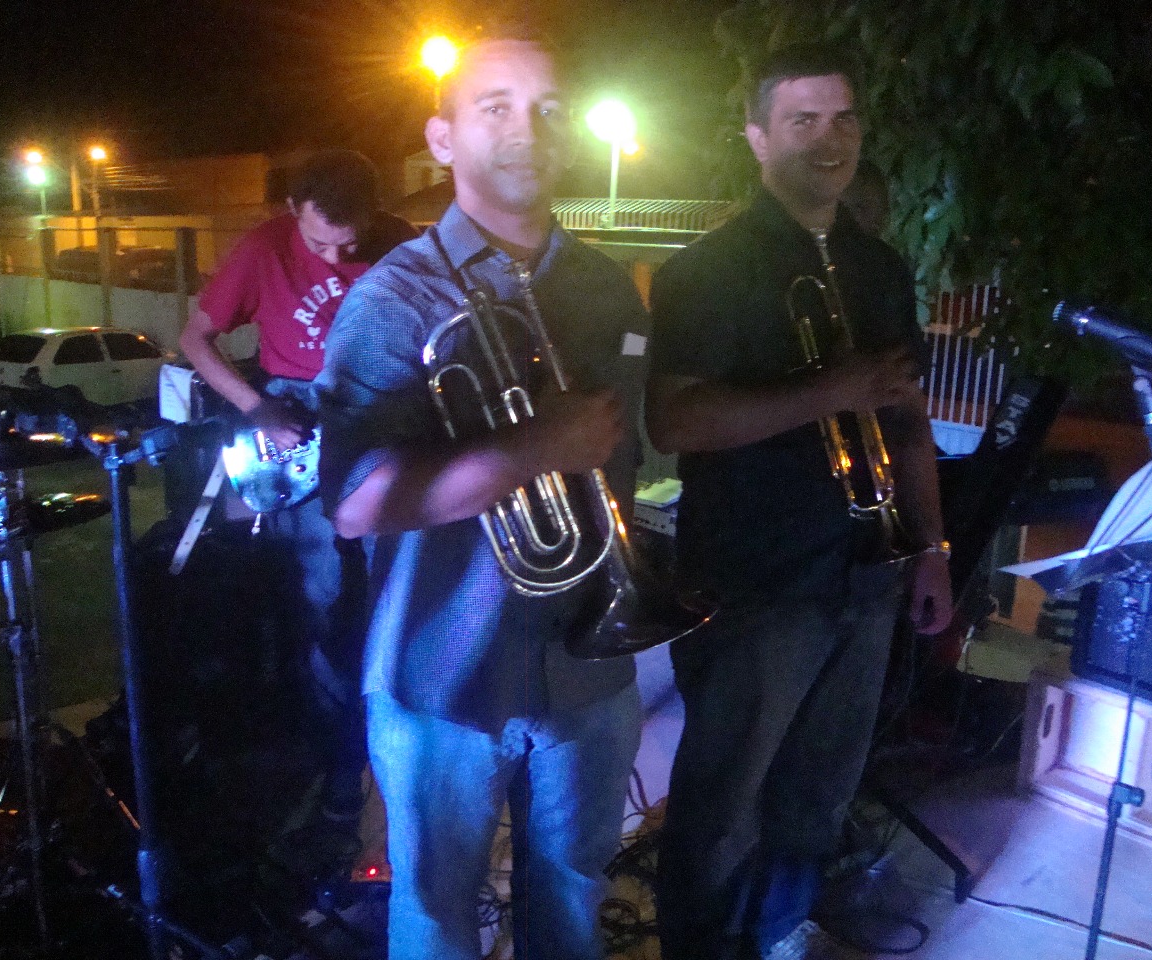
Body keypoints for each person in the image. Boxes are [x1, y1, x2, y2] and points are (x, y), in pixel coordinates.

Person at [316, 28, 647, 960]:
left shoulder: (609, 289)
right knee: (436, 917)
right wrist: (535, 447)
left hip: (589, 661)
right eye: (495, 107)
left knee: (574, 899)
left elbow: (624, 450)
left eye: (547, 109)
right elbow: (352, 501)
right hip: (442, 671)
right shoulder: (394, 298)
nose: (525, 129)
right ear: (443, 137)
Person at [646, 44, 953, 960]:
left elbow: (907, 419)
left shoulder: (880, 268)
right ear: (757, 137)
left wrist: (932, 548)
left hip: (866, 569)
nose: (829, 139)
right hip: (757, 578)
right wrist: (828, 391)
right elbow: (675, 419)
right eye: (803, 120)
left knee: (819, 793)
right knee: (721, 805)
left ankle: (780, 933)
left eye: (843, 117)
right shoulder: (706, 270)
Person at [178, 149, 416, 843]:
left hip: (385, 418)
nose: (338, 257)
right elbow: (196, 339)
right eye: (320, 243)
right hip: (300, 427)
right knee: (323, 606)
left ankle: (386, 757)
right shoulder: (262, 248)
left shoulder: (402, 242)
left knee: (398, 599)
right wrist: (257, 408)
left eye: (351, 242)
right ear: (292, 212)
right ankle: (335, 770)